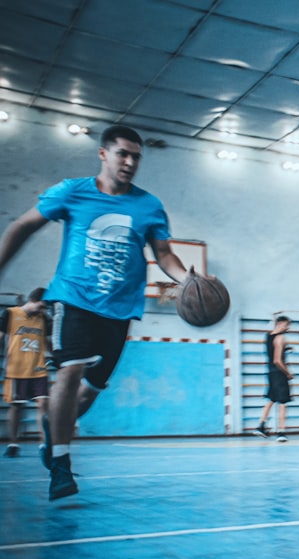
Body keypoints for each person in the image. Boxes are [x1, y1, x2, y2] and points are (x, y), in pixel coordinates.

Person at [0, 125, 190, 500]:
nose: (130, 162)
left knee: (89, 394)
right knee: (69, 372)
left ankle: (52, 433)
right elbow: (23, 225)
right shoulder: (73, 191)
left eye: (136, 156)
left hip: (120, 310)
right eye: (123, 153)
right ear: (103, 154)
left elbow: (164, 254)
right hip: (74, 299)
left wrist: (189, 279)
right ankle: (61, 464)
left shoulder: (148, 206)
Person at [0, 288, 51, 459]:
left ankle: (44, 444)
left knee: (43, 405)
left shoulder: (43, 319)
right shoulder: (10, 314)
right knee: (16, 406)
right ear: (33, 299)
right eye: (41, 306)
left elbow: (48, 342)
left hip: (38, 368)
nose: (42, 310)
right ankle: (13, 443)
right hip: (16, 368)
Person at [254, 315, 293, 442]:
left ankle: (261, 426)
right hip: (279, 374)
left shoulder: (268, 336)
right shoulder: (280, 338)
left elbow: (272, 352)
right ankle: (281, 432)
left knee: (271, 400)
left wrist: (286, 349)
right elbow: (277, 360)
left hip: (270, 373)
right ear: (280, 324)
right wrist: (288, 373)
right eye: (286, 325)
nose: (288, 328)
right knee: (282, 403)